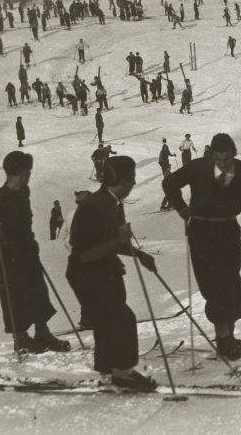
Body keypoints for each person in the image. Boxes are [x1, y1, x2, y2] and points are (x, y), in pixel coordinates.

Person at [161, 133, 241, 359]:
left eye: (227, 159)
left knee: (233, 285)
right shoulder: (199, 167)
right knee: (215, 286)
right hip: (202, 231)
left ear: (234, 154)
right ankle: (223, 341)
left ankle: (228, 338)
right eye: (218, 160)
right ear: (211, 155)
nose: (222, 164)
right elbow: (169, 183)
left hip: (228, 230)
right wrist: (180, 207)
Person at [66, 155, 157, 390]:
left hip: (103, 268)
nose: (134, 183)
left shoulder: (113, 202)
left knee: (108, 320)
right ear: (123, 180)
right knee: (121, 318)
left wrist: (140, 255)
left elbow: (114, 242)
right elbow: (84, 254)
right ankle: (123, 374)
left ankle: (109, 367)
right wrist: (117, 240)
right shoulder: (93, 207)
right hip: (86, 272)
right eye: (132, 178)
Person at [0, 151, 70, 353]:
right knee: (14, 296)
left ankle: (42, 333)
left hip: (27, 250)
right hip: (8, 255)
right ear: (17, 173)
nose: (29, 175)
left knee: (38, 290)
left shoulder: (24, 191)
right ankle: (20, 338)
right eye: (27, 172)